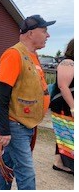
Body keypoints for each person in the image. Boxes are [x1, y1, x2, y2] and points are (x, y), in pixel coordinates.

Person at [0, 15, 55, 190]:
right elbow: (1, 95)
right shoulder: (14, 54)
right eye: (44, 31)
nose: (48, 35)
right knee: (26, 172)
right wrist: (4, 130)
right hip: (15, 124)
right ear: (30, 33)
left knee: (8, 164)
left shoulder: (33, 56)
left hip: (26, 123)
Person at [50, 38, 74, 174]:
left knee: (65, 133)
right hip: (64, 105)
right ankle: (64, 163)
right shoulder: (68, 62)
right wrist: (73, 107)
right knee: (68, 134)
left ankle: (59, 162)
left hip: (67, 105)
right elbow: (63, 86)